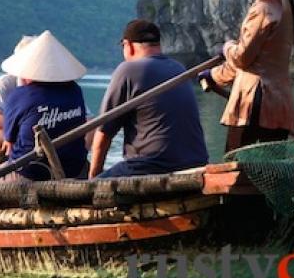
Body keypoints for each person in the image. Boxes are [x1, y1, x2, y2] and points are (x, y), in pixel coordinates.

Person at [197, 0, 294, 152]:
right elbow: (257, 60)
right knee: (271, 169)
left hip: (255, 102)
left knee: (235, 167)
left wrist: (227, 47)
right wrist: (215, 75)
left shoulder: (264, 8)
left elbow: (243, 57)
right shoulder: (285, 6)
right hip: (279, 102)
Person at [89, 19, 208, 178]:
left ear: (128, 46)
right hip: (196, 163)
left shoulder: (128, 70)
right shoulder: (179, 68)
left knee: (95, 187)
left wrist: (93, 180)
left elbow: (104, 133)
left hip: (150, 167)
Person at [1, 30, 89, 180]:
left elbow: (10, 140)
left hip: (29, 173)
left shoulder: (19, 95)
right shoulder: (75, 91)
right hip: (74, 170)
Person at [0, 35, 35, 159]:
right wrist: (22, 129)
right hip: (22, 133)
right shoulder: (6, 83)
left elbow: (87, 121)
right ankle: (0, 173)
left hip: (54, 134)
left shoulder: (58, 84)